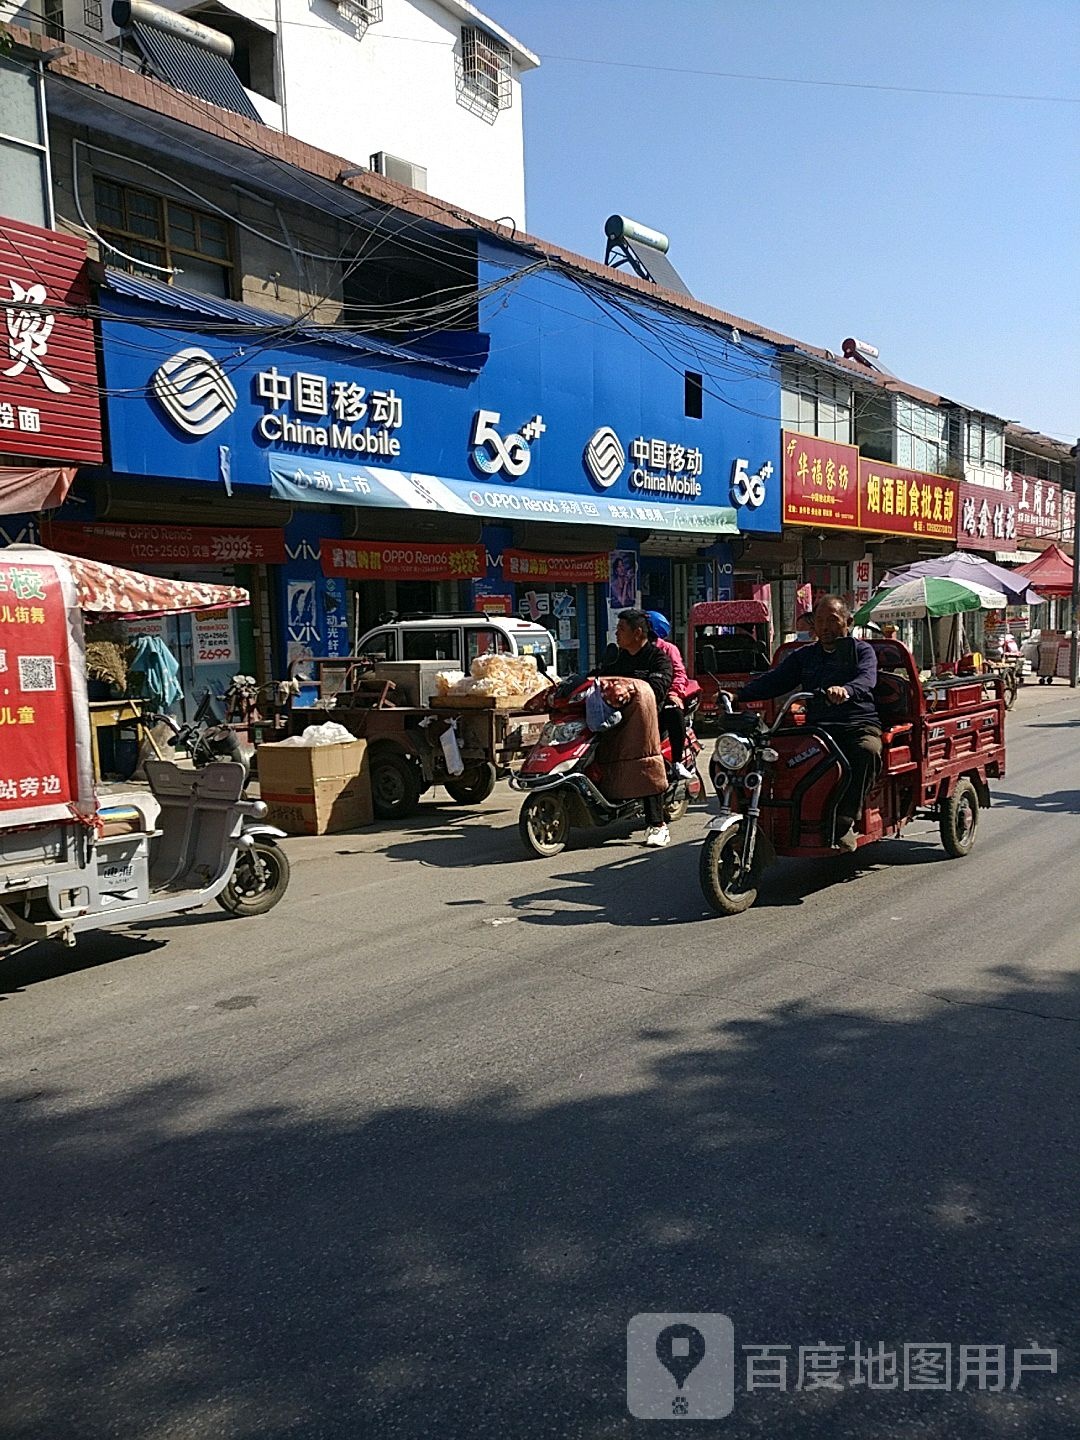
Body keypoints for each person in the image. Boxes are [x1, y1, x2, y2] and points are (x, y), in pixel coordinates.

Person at [731, 595, 882, 852]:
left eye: (832, 621)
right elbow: (775, 680)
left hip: (857, 725)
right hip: (818, 728)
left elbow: (867, 680)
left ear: (848, 622)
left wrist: (846, 690)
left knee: (867, 751)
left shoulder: (862, 651)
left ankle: (845, 820)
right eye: (820, 621)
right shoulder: (804, 656)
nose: (825, 627)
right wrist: (739, 695)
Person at [597, 608, 674, 847]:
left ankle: (657, 825)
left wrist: (631, 688)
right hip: (616, 720)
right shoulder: (618, 658)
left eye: (621, 630)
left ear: (638, 632)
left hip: (649, 722)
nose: (617, 635)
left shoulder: (658, 659)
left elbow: (657, 689)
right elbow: (600, 677)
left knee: (645, 758)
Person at [644, 610, 695, 781]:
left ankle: (677, 762)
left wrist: (673, 693)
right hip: (639, 698)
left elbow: (680, 674)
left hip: (663, 697)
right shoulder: (628, 650)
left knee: (673, 711)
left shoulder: (667, 650)